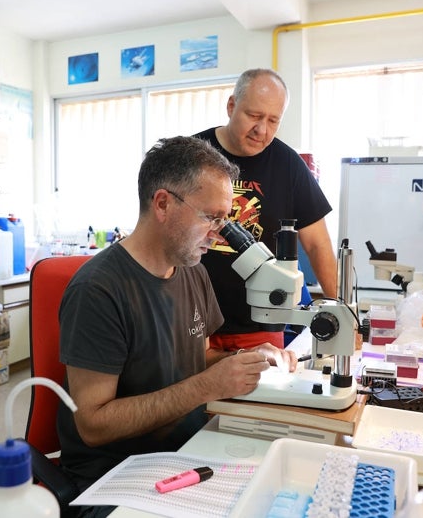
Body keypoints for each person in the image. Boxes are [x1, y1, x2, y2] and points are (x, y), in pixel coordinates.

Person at [56, 136, 297, 517]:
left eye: (224, 220)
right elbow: (93, 424)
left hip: (187, 448)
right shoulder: (98, 290)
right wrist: (207, 386)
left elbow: (198, 356)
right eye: (211, 217)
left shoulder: (193, 272)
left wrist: (246, 359)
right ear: (164, 204)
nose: (218, 233)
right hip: (115, 475)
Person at [194, 68, 338, 352]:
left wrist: (341, 312)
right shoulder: (193, 154)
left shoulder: (289, 165)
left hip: (259, 327)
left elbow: (318, 244)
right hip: (192, 324)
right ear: (231, 106)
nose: (263, 130)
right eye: (254, 116)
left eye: (273, 120)